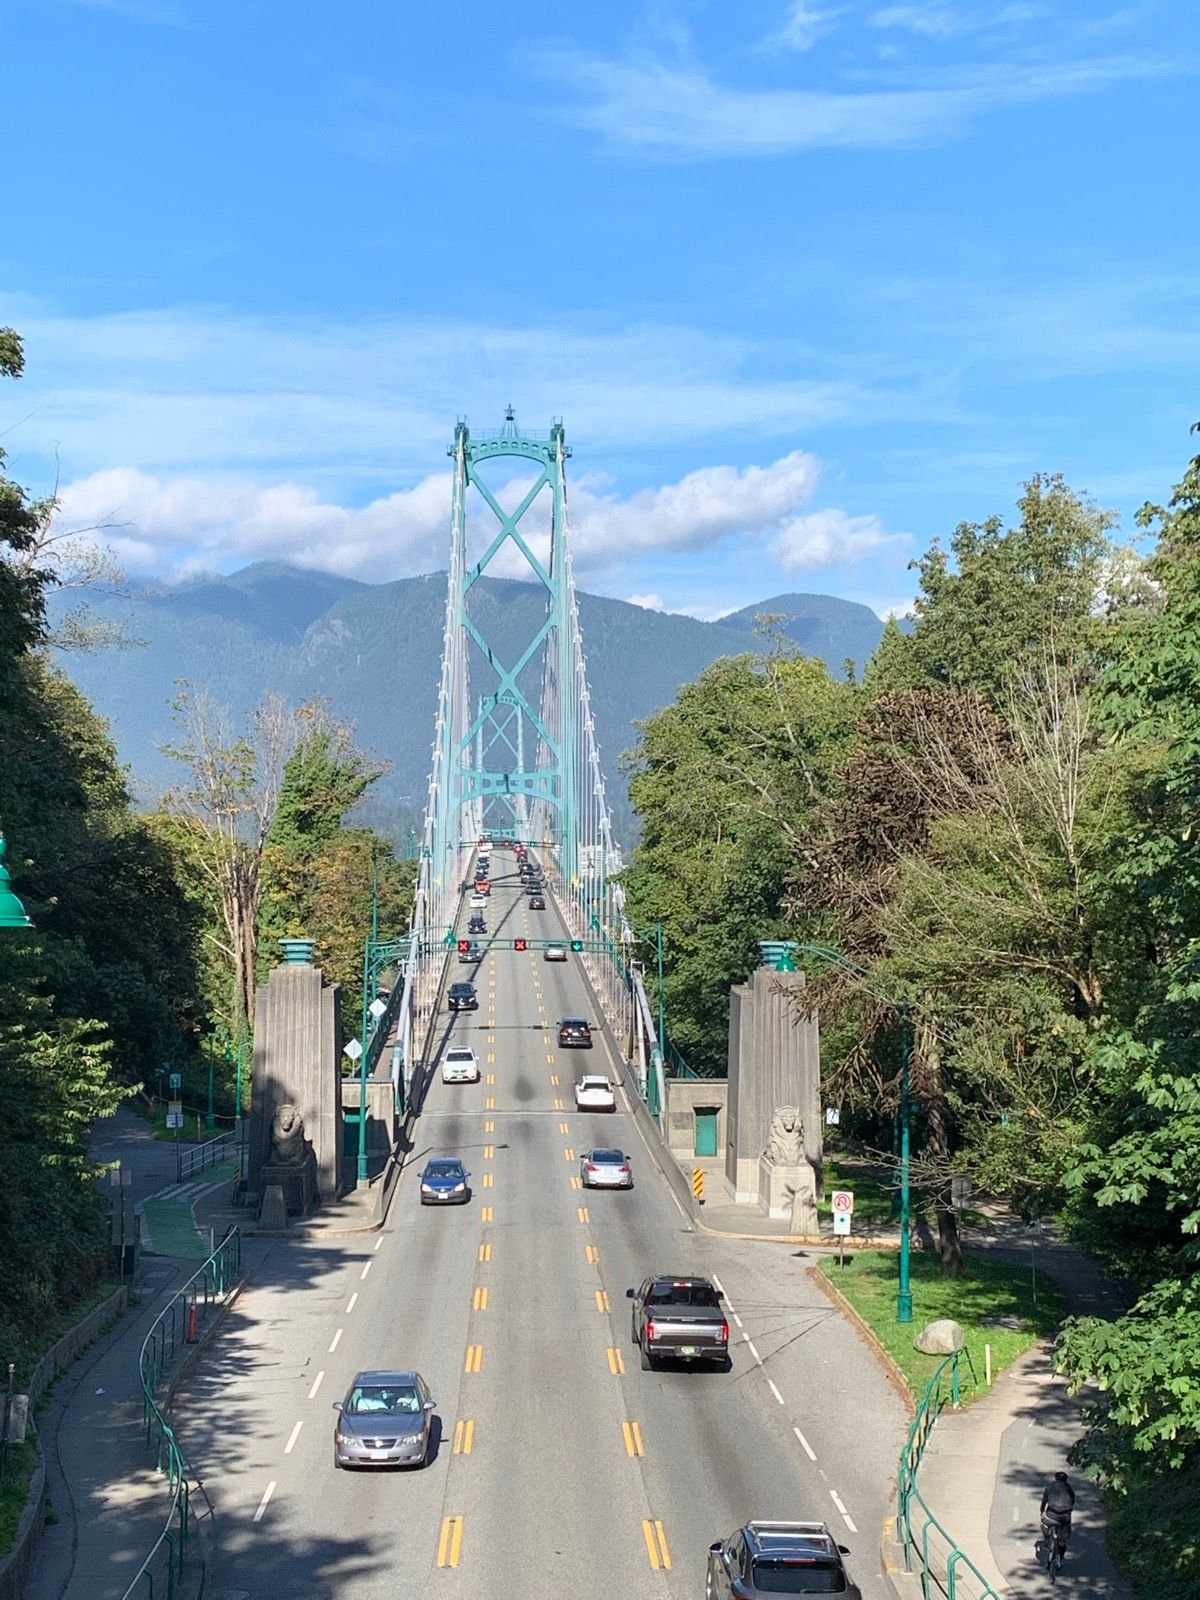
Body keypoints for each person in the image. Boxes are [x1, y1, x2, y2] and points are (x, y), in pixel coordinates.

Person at [1040, 1471, 1076, 1559]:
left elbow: (1044, 1501)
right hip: (1064, 1517)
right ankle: (1060, 1556)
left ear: (1056, 1478)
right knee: (1062, 1538)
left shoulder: (1049, 1488)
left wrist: (1042, 1511)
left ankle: (1047, 1538)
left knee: (1044, 1524)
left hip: (1051, 1515)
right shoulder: (1069, 1489)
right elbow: (1072, 1502)